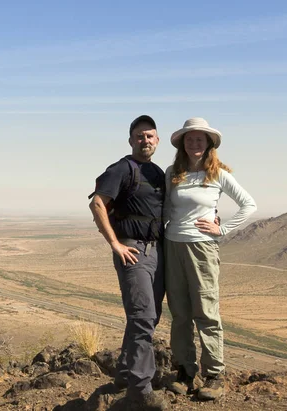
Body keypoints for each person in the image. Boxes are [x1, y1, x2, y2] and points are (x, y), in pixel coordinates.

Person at [163, 117, 257, 400]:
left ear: (209, 145)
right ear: (182, 144)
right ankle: (184, 371)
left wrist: (222, 228)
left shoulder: (218, 174)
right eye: (189, 139)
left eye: (200, 139)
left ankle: (214, 375)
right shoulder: (173, 172)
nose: (194, 143)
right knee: (179, 313)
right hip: (172, 245)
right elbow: (167, 208)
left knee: (206, 312)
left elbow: (248, 204)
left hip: (202, 247)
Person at [89, 115, 168, 410]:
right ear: (131, 140)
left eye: (150, 136)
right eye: (139, 136)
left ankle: (124, 372)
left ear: (157, 140)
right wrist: (115, 243)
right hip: (133, 250)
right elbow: (97, 203)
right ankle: (140, 389)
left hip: (157, 251)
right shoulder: (122, 169)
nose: (145, 140)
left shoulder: (158, 173)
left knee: (147, 316)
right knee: (143, 317)